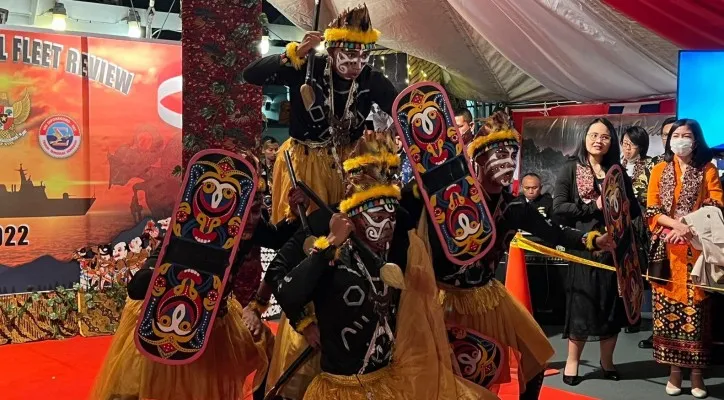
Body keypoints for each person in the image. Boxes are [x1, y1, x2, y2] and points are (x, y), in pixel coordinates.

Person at [402, 111, 614, 399]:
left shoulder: (515, 207)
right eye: (499, 153)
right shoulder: (451, 198)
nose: (508, 161)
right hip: (447, 300)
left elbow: (556, 233)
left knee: (537, 357)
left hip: (489, 295)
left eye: (513, 154)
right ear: (478, 158)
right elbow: (405, 216)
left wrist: (593, 240)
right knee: (465, 375)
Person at [269, 132, 494, 399]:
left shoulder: (401, 229)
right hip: (339, 374)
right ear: (355, 214)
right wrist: (304, 322)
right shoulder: (326, 223)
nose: (387, 225)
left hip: (389, 374)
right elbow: (279, 277)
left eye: (390, 214)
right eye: (377, 216)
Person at [90, 164, 308, 400]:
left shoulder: (248, 224)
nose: (253, 211)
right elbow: (138, 287)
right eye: (247, 200)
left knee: (261, 348)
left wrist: (297, 211)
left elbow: (276, 238)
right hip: (166, 319)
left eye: (256, 200)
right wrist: (176, 270)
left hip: (217, 319)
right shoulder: (192, 228)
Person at [242, 4, 398, 225]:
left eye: (365, 55)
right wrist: (294, 52)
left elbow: (401, 108)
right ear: (333, 51)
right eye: (350, 54)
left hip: (348, 166)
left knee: (351, 231)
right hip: (306, 163)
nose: (357, 62)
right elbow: (251, 74)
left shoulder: (370, 79)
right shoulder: (308, 68)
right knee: (305, 230)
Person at [552, 117, 640, 386]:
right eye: (593, 134)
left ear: (611, 142)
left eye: (604, 136)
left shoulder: (618, 173)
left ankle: (607, 361)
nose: (598, 140)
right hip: (585, 247)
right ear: (585, 138)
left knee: (611, 307)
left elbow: (633, 209)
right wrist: (595, 207)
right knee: (582, 305)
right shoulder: (570, 169)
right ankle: (572, 363)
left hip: (615, 251)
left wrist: (620, 208)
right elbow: (559, 208)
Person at [646, 118, 722, 398]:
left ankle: (698, 376)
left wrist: (688, 226)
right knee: (666, 315)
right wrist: (674, 227)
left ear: (696, 140)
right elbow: (652, 209)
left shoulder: (708, 170)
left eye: (686, 135)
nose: (680, 139)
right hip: (666, 250)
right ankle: (674, 373)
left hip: (696, 249)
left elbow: (716, 202)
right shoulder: (659, 169)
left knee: (699, 314)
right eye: (675, 135)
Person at [260, 136, 280, 211]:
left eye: (276, 149)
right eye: (270, 150)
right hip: (262, 204)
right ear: (263, 150)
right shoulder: (258, 166)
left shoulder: (281, 166)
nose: (274, 153)